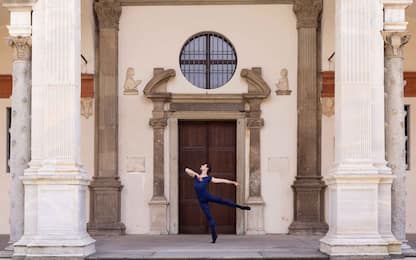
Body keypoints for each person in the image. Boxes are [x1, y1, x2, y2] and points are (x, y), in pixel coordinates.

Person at [185, 163, 251, 243]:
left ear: (206, 168)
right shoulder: (195, 176)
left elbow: (222, 180)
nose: (202, 165)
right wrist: (197, 175)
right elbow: (186, 169)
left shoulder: (209, 178)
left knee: (223, 201)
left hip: (207, 196)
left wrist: (233, 182)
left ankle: (241, 207)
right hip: (201, 201)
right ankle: (214, 236)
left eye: (204, 165)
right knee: (210, 218)